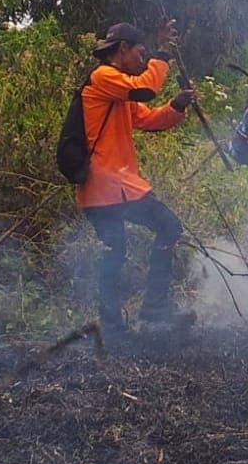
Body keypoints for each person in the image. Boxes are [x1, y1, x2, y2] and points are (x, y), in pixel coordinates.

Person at [78, 20, 197, 336]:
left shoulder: (116, 89)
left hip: (109, 188)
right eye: (139, 52)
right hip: (110, 186)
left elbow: (149, 119)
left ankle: (117, 324)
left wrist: (178, 105)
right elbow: (147, 88)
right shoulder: (104, 76)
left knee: (116, 251)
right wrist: (162, 54)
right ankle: (151, 309)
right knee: (165, 228)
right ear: (122, 49)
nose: (142, 60)